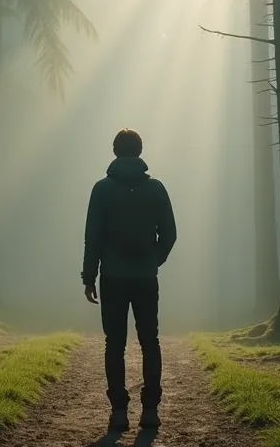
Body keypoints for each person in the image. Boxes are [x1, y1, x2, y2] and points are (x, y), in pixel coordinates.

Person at [81, 128, 178, 433]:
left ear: (115, 151)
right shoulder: (156, 188)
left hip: (112, 277)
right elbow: (170, 234)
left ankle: (119, 412)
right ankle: (150, 411)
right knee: (150, 341)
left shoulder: (102, 189)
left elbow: (92, 238)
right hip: (146, 278)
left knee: (115, 344)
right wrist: (154, 259)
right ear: (139, 151)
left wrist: (89, 276)